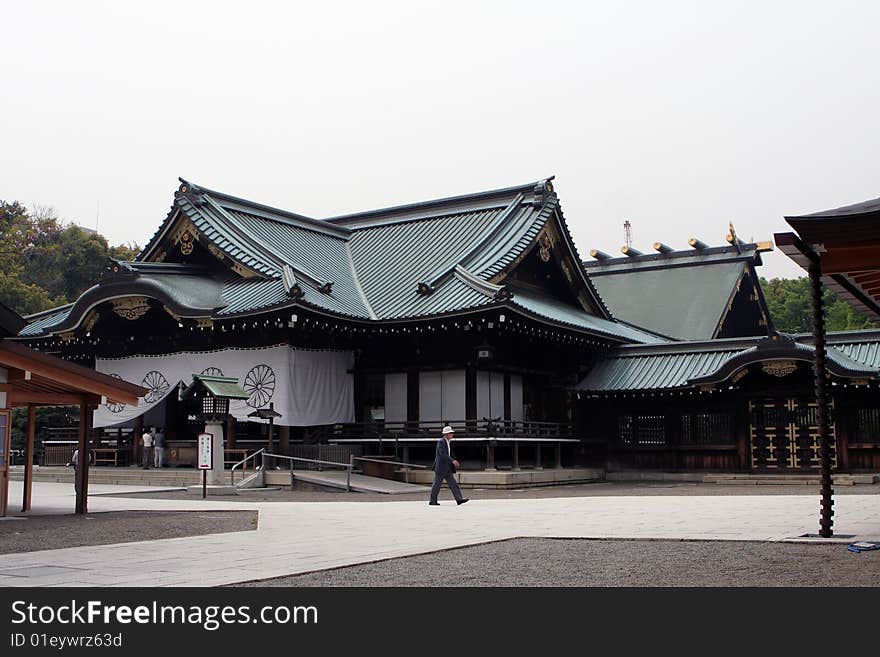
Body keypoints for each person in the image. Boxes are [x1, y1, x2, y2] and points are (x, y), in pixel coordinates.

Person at [429, 425, 468, 506]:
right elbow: (442, 454)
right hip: (441, 467)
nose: (452, 434)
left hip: (447, 468)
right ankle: (432, 501)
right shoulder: (441, 442)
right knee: (437, 485)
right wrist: (452, 460)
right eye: (450, 433)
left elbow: (449, 454)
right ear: (446, 434)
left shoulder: (447, 442)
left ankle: (459, 499)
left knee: (453, 484)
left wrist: (453, 461)